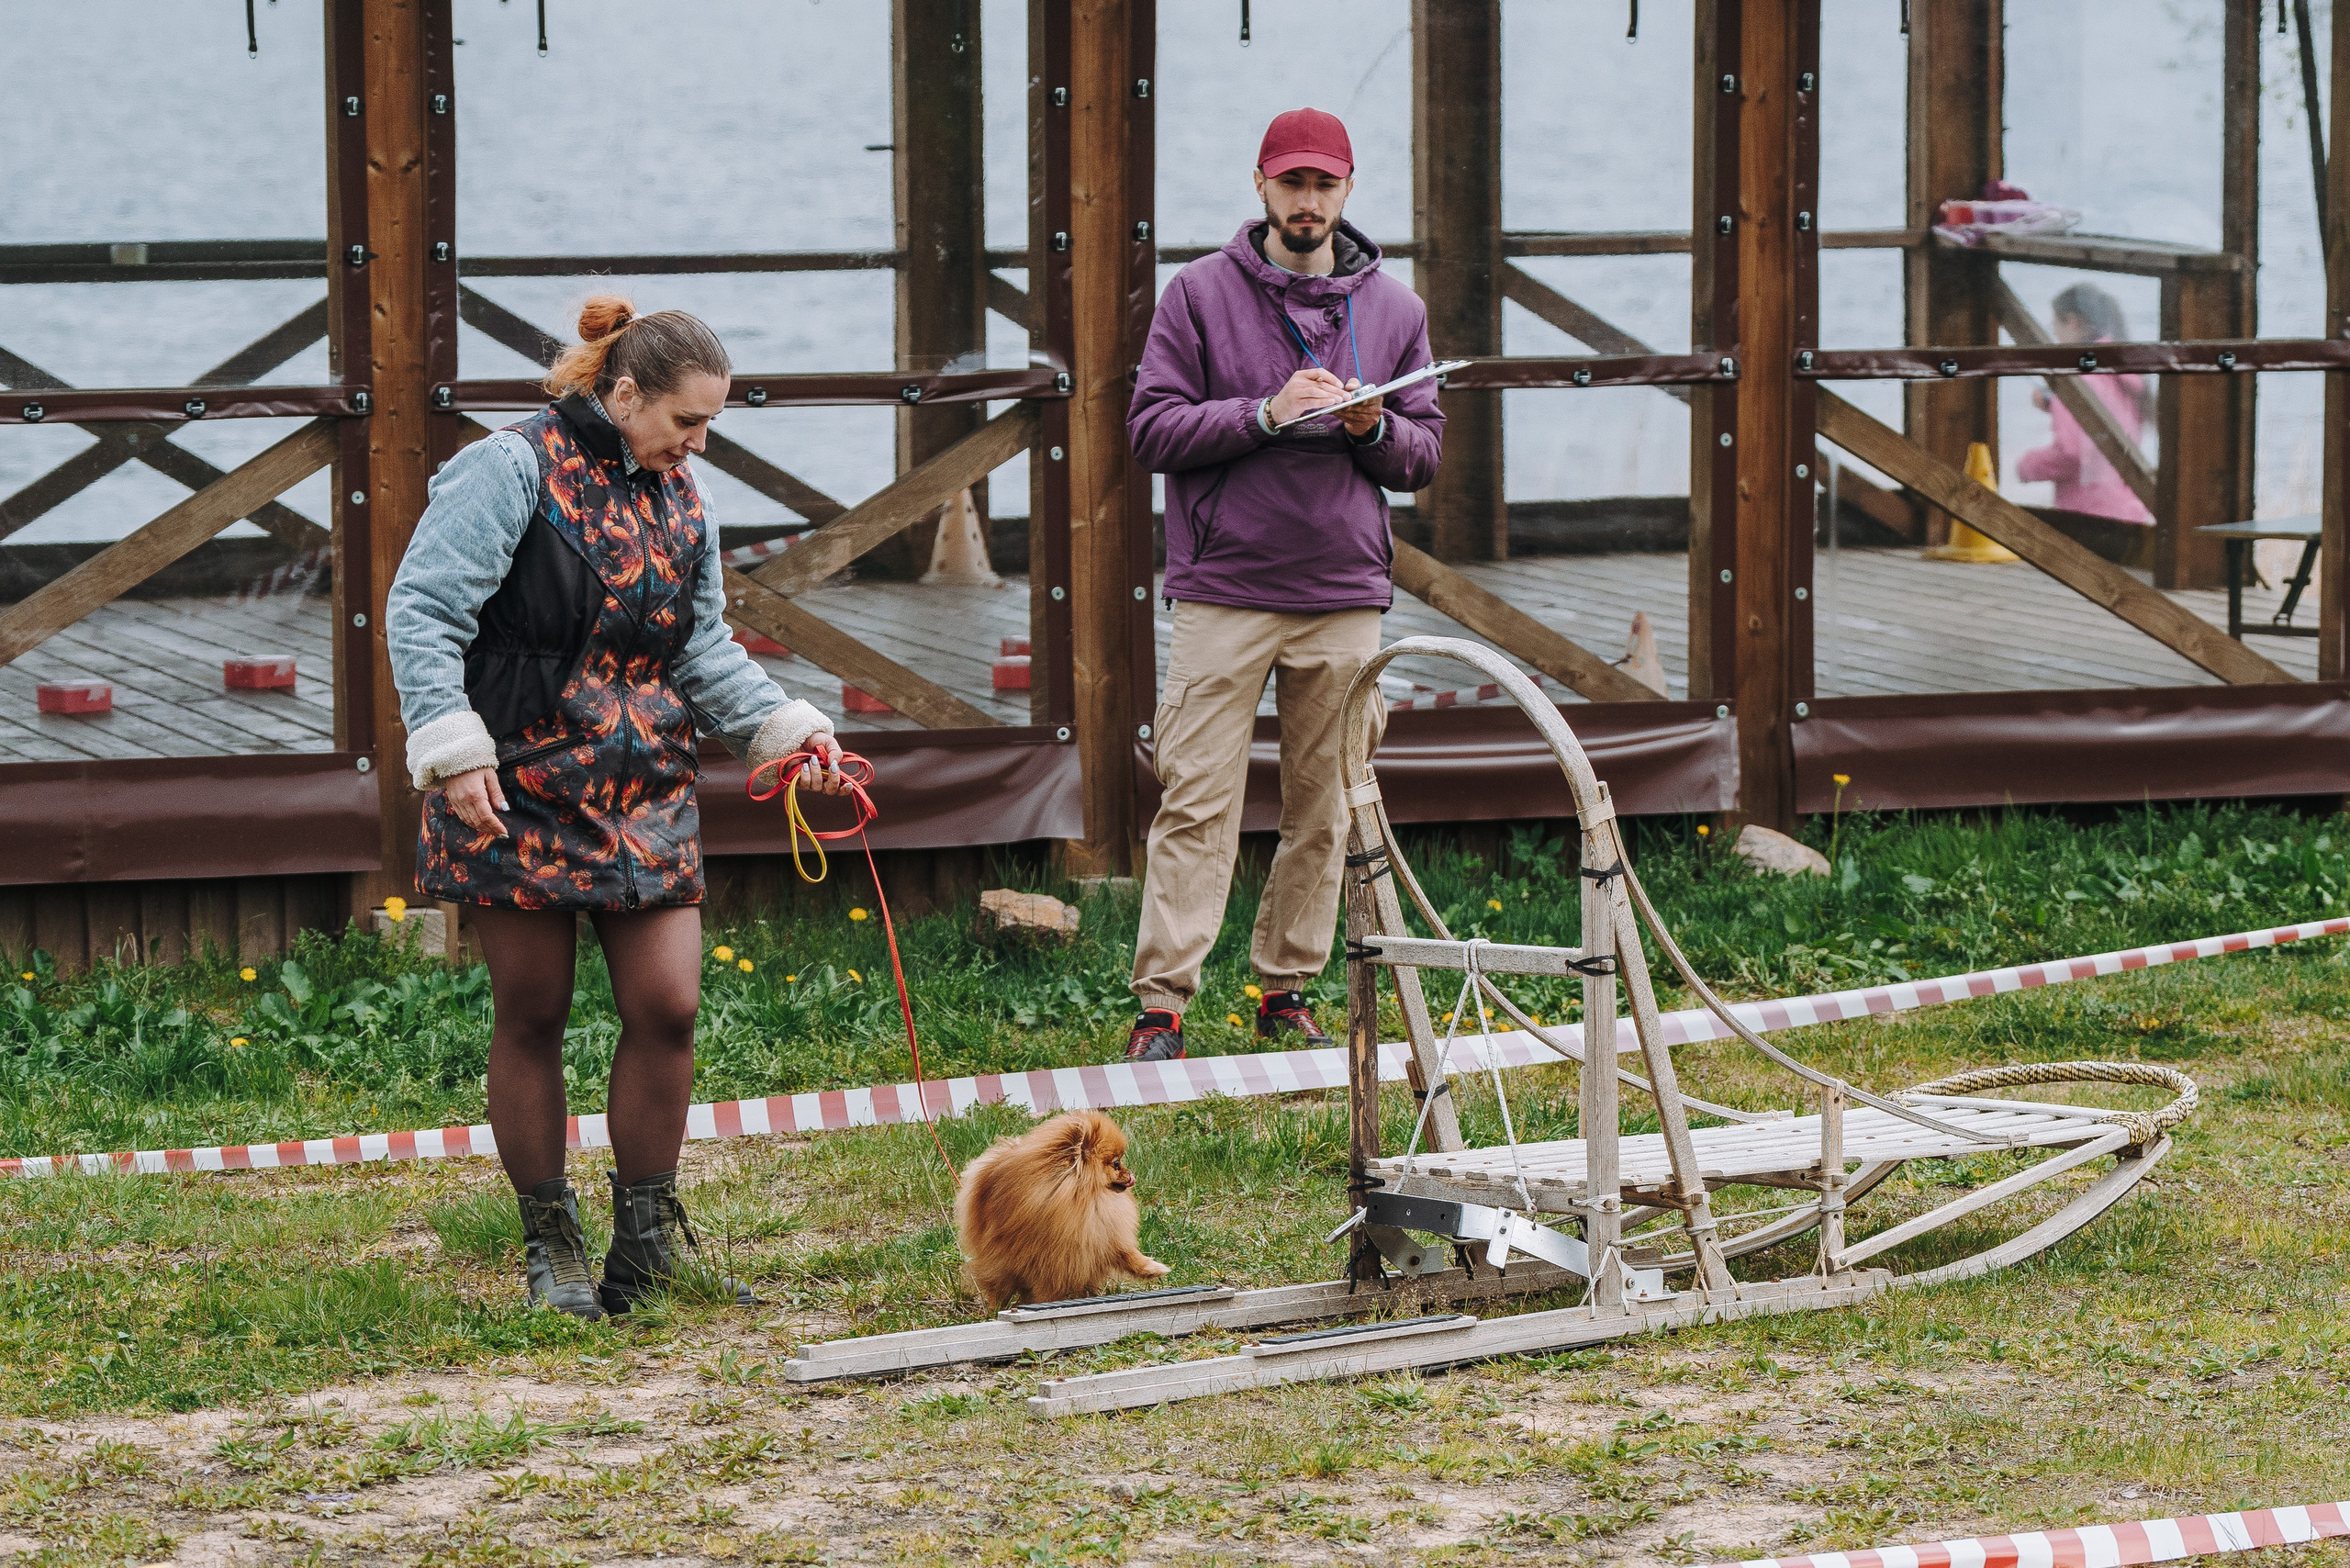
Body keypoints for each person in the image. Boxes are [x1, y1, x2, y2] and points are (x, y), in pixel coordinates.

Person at [386, 296, 846, 1320]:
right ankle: (550, 1243)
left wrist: (786, 730)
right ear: (624, 392)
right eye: (687, 421)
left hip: (647, 787)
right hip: (515, 785)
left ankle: (645, 1252)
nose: (698, 443)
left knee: (669, 1006)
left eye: (711, 424)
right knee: (534, 1013)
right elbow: (421, 608)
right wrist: (453, 752)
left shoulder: (686, 498)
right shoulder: (508, 469)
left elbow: (702, 647)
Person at [1120, 107, 1444, 1062]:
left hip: (1344, 593)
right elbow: (1150, 431)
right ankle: (1162, 1006)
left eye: (1324, 185)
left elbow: (1421, 457)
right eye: (1291, 183)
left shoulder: (1397, 312)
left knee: (1326, 805)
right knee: (1196, 801)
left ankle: (1286, 989)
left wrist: (1368, 429)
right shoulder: (1196, 295)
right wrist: (1262, 412)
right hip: (1223, 588)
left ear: (1349, 192)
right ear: (1259, 184)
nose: (1307, 203)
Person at [2016, 282, 2153, 524]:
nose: (2055, 334)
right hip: (2128, 510)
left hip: (2088, 516)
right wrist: (2055, 402)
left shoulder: (2079, 381)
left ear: (2073, 322)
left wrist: (2027, 466)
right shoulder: (2124, 372)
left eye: (2056, 324)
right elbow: (2107, 420)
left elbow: (2072, 453)